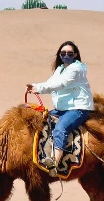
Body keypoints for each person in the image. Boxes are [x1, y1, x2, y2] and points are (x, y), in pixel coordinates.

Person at [26, 41, 94, 174]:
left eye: (69, 53)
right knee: (42, 120)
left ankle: (55, 163)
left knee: (61, 128)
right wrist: (35, 86)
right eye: (63, 53)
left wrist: (39, 88)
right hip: (62, 108)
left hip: (77, 108)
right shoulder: (60, 69)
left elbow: (62, 84)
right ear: (59, 55)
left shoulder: (77, 69)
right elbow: (51, 83)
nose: (66, 56)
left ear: (75, 55)